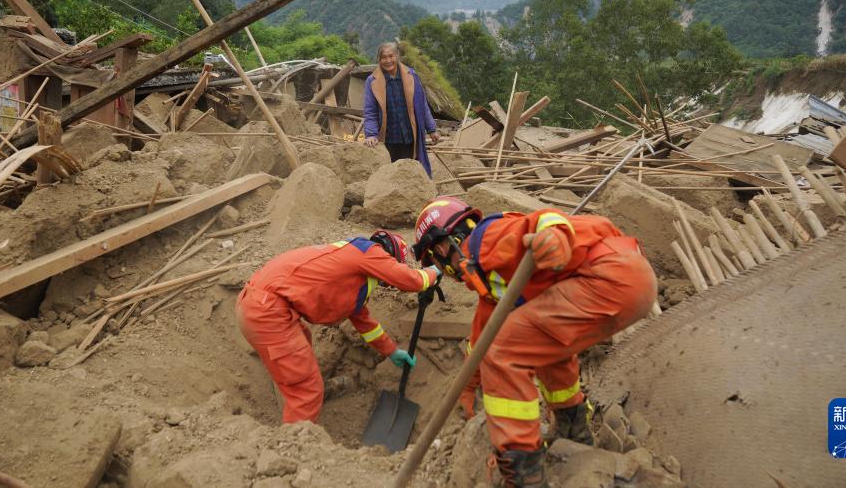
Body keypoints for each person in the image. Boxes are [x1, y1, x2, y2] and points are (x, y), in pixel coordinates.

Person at [412, 198, 658, 487]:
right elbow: (484, 333)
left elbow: (542, 220)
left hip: (607, 276)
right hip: (628, 279)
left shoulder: (484, 240)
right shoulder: (488, 278)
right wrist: (467, 387)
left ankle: (524, 472)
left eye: (433, 258)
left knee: (503, 352)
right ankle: (573, 428)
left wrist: (555, 237)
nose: (440, 266)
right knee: (543, 347)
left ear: (442, 246)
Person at [235, 230, 440, 424]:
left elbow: (365, 323)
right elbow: (413, 281)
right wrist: (434, 270)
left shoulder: (350, 271)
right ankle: (292, 448)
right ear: (390, 258)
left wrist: (392, 351)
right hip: (268, 310)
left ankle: (307, 395)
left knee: (303, 345)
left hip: (256, 304)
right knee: (306, 389)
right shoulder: (371, 252)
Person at [362, 41, 440, 176]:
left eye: (391, 56)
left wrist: (431, 129)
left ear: (397, 56)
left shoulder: (411, 75)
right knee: (390, 174)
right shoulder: (372, 81)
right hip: (388, 137)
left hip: (410, 134)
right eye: (384, 57)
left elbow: (422, 105)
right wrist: (371, 134)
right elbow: (370, 110)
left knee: (410, 172)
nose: (388, 60)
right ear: (379, 60)